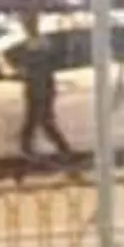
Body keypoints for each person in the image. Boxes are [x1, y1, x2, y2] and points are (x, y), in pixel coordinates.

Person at [15, 11, 73, 160]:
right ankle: (30, 148)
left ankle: (62, 149)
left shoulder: (40, 43)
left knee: (42, 119)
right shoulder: (33, 43)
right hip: (37, 86)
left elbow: (42, 65)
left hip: (41, 86)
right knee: (35, 119)